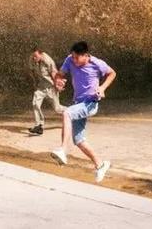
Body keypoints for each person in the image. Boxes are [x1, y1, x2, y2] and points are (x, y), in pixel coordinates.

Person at [50, 41, 116, 183]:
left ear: (85, 55)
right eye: (72, 57)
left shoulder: (97, 63)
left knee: (67, 113)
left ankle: (62, 150)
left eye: (76, 58)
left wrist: (103, 88)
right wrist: (58, 81)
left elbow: (112, 73)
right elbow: (59, 74)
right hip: (78, 103)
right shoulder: (70, 60)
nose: (73, 60)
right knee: (79, 140)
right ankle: (100, 164)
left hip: (90, 103)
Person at [27, 46, 64, 135]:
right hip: (40, 87)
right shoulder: (32, 59)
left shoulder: (48, 60)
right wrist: (34, 83)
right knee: (35, 104)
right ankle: (39, 126)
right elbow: (31, 71)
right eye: (33, 56)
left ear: (41, 54)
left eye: (36, 56)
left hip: (50, 87)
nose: (34, 58)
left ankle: (73, 113)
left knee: (57, 109)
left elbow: (54, 74)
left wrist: (58, 85)